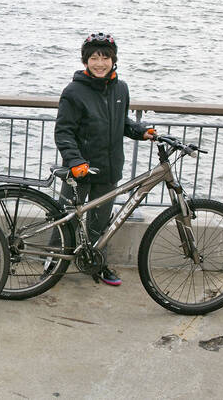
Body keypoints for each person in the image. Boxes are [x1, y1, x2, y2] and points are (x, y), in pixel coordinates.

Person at [54, 32, 155, 286]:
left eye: (105, 57)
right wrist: (75, 161)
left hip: (108, 170)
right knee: (65, 220)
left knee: (101, 224)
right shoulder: (74, 91)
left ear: (113, 60)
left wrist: (141, 131)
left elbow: (121, 122)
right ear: (85, 61)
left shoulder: (120, 88)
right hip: (79, 170)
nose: (100, 63)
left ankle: (98, 264)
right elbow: (63, 131)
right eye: (94, 58)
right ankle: (53, 262)